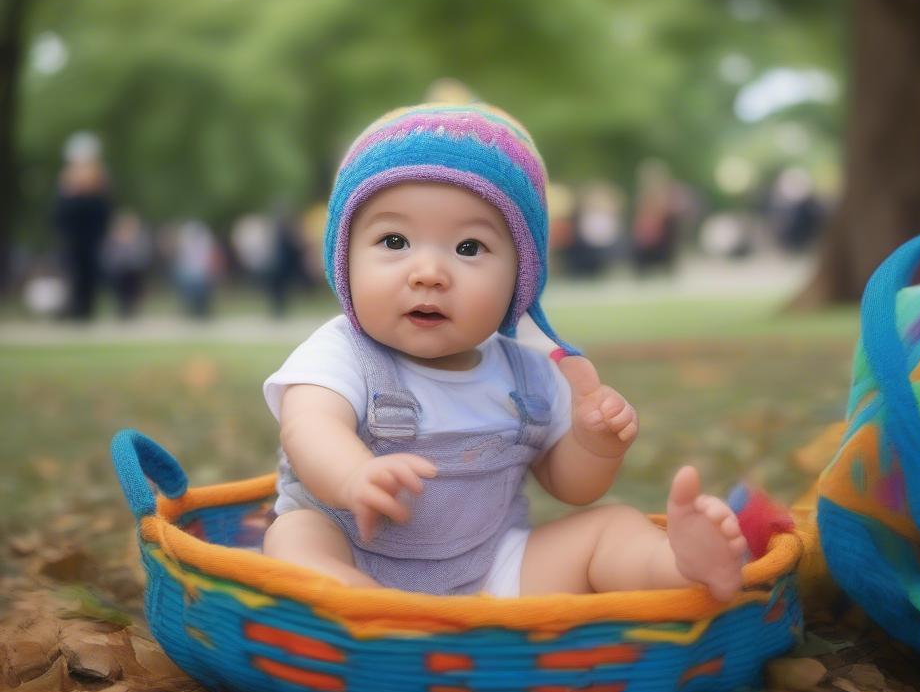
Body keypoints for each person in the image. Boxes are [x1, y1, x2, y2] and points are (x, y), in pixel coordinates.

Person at [262, 103, 748, 600]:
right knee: (296, 537)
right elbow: (309, 427)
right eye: (394, 240)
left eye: (469, 248)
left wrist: (595, 442)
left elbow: (571, 486)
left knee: (609, 529)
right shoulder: (342, 350)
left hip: (490, 571)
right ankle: (356, 605)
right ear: (344, 261)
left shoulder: (530, 375)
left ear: (521, 278)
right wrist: (353, 475)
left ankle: (678, 566)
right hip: (353, 546)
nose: (428, 272)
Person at [53, 132, 112, 320]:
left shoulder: (99, 191)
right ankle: (73, 310)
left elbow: (103, 215)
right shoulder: (66, 190)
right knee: (73, 275)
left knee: (89, 278)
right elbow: (59, 216)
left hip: (92, 241)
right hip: (72, 241)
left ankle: (86, 311)